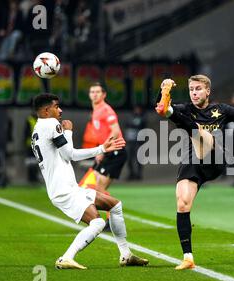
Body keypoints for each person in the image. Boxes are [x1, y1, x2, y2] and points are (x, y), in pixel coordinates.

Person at [155, 75, 234, 269]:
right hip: (192, 161)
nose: (194, 93)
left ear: (207, 91)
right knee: (183, 203)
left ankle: (168, 111)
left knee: (200, 132)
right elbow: (157, 105)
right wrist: (162, 91)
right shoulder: (186, 108)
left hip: (214, 158)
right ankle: (188, 258)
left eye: (198, 89)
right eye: (191, 89)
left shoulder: (221, 110)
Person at [31, 93, 148, 269]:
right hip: (63, 190)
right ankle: (66, 258)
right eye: (56, 106)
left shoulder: (38, 128)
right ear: (47, 110)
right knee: (98, 222)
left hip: (68, 188)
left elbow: (63, 155)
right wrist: (96, 145)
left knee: (115, 205)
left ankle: (126, 255)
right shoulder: (51, 124)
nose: (60, 110)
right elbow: (69, 154)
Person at [88, 83, 127, 192]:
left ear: (104, 95)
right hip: (107, 149)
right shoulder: (96, 110)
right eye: (92, 92)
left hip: (116, 151)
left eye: (97, 92)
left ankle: (114, 208)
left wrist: (102, 150)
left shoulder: (106, 110)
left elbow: (115, 131)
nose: (94, 94)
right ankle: (107, 207)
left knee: (99, 190)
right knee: (94, 183)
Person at [125, 105, 146, 180]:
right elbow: (127, 125)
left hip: (139, 142)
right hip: (130, 141)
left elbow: (141, 126)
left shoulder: (142, 118)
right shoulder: (130, 117)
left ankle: (138, 174)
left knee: (139, 159)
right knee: (129, 159)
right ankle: (131, 173)